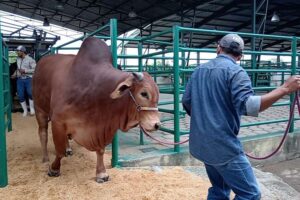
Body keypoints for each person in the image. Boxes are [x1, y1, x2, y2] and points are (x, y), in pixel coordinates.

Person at [182, 33, 300, 200]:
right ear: (240, 56)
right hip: (224, 147)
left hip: (201, 144)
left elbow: (186, 101)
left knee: (219, 190)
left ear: (218, 48)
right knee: (250, 193)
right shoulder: (237, 72)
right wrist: (285, 89)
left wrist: (205, 119)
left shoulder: (198, 70)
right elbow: (249, 106)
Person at [12, 45, 36, 117]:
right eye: (17, 51)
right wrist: (14, 74)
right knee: (20, 95)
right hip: (20, 79)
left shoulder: (30, 59)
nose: (17, 52)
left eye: (18, 51)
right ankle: (25, 111)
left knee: (30, 93)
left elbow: (35, 69)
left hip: (29, 79)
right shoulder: (18, 59)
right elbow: (18, 69)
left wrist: (25, 70)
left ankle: (31, 108)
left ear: (23, 51)